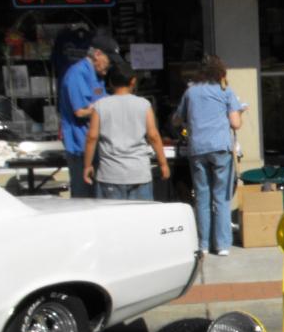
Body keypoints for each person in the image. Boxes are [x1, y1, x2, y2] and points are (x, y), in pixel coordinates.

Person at [173, 55, 246, 256]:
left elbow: (177, 119)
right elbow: (236, 123)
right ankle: (222, 244)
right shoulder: (225, 92)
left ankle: (203, 243)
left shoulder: (191, 92)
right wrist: (241, 112)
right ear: (220, 72)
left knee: (202, 196)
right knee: (221, 197)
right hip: (220, 147)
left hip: (197, 149)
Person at [81, 63, 169, 201]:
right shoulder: (144, 104)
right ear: (133, 81)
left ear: (110, 82)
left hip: (110, 174)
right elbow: (153, 136)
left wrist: (87, 166)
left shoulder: (100, 105)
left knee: (112, 215)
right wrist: (163, 164)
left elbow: (92, 137)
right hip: (139, 173)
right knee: (141, 215)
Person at [60, 34, 121, 199]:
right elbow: (80, 111)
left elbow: (100, 102)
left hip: (98, 147)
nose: (110, 65)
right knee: (83, 198)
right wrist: (109, 107)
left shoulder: (96, 76)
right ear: (98, 54)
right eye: (109, 60)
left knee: (100, 197)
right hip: (80, 147)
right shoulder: (77, 74)